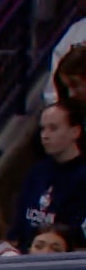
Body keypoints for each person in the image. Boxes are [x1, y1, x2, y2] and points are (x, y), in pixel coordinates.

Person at [8, 102, 86, 249]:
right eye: (43, 129)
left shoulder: (82, 177)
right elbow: (18, 225)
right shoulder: (36, 172)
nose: (45, 135)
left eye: (53, 128)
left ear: (75, 132)